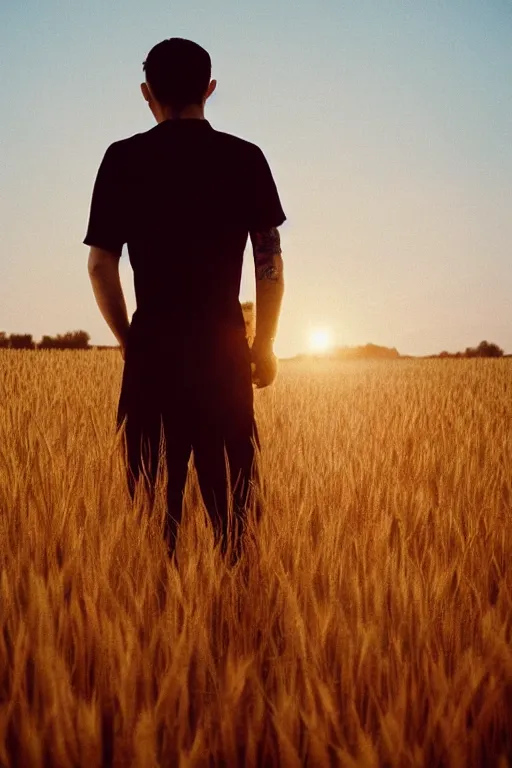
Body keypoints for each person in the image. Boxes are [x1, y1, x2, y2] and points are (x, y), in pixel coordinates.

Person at [84, 38, 286, 563]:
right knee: (235, 517)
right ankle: (239, 613)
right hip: (223, 355)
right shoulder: (246, 158)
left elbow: (100, 264)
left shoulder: (123, 158)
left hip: (153, 352)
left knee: (151, 514)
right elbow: (269, 263)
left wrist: (131, 341)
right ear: (210, 89)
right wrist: (263, 344)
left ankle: (153, 619)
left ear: (147, 92)